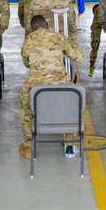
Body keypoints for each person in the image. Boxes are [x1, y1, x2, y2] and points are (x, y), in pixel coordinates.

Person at [18, 14, 85, 159]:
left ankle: (29, 146)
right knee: (72, 103)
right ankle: (70, 141)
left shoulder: (28, 40)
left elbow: (26, 63)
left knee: (25, 108)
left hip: (36, 87)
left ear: (32, 28)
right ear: (47, 25)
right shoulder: (58, 37)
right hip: (60, 85)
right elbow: (80, 57)